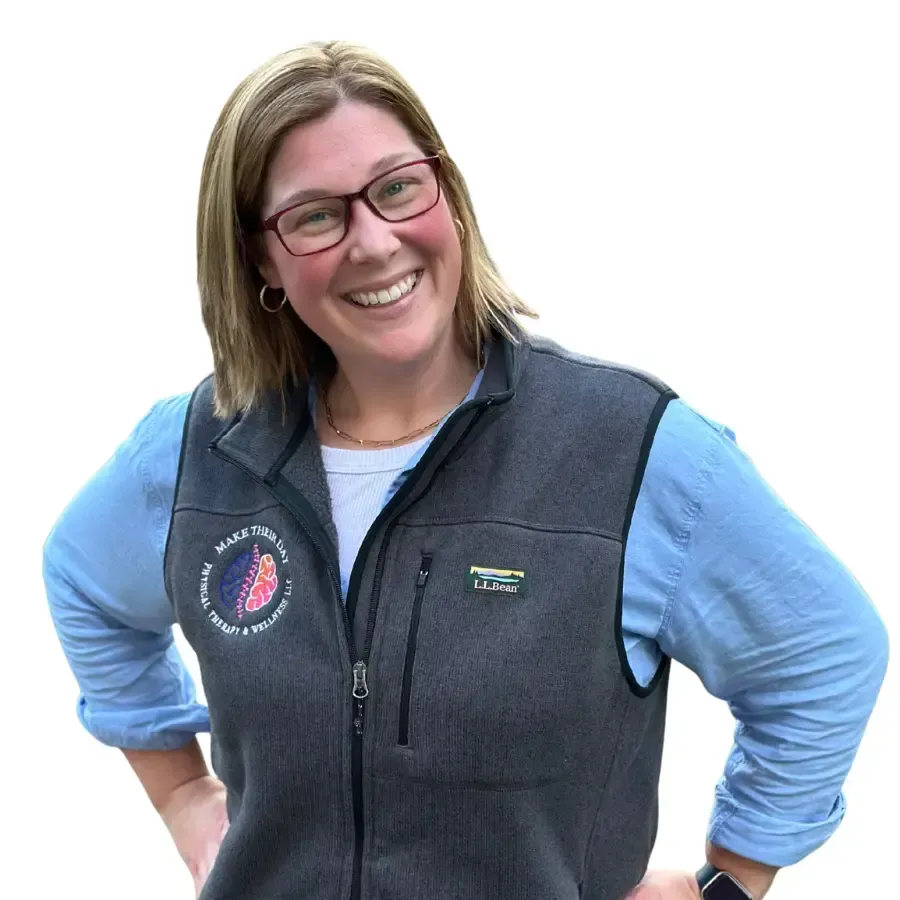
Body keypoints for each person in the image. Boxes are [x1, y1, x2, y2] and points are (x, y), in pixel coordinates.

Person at [42, 40, 889, 900]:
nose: (373, 242)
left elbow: (824, 653)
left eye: (397, 187)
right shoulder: (200, 450)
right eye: (315, 216)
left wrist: (730, 882)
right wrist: (186, 797)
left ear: (448, 197)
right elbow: (81, 579)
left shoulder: (626, 450)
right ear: (261, 259)